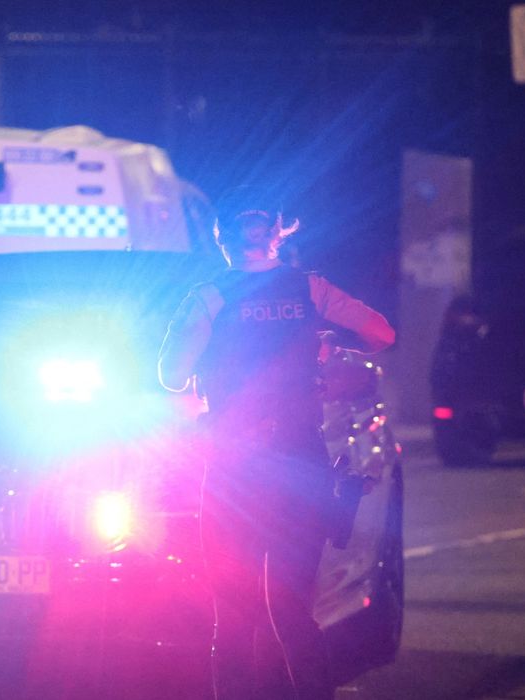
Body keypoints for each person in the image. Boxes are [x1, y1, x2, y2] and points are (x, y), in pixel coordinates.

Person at [158, 187, 394, 700]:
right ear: (279, 232)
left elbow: (170, 375)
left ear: (219, 235)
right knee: (290, 608)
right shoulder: (311, 289)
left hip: (232, 473)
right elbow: (382, 333)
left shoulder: (207, 296)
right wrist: (325, 347)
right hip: (298, 464)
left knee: (233, 613)